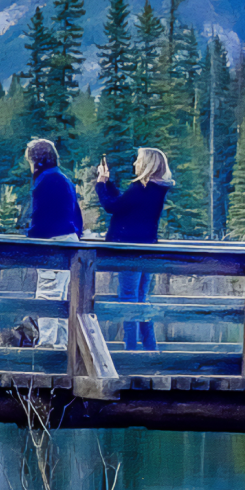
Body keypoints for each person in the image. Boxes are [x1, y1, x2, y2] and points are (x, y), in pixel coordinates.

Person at [96, 147, 173, 351]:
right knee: (142, 298)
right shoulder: (156, 189)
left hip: (129, 250)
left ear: (147, 164)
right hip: (147, 249)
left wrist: (100, 184)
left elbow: (112, 207)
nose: (134, 164)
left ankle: (131, 352)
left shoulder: (141, 187)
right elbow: (123, 204)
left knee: (128, 300)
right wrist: (109, 183)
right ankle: (150, 350)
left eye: (138, 160)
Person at [24, 138, 83, 349]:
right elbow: (76, 213)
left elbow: (41, 216)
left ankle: (48, 344)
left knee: (48, 293)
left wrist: (32, 239)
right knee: (63, 295)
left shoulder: (45, 181)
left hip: (53, 241)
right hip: (68, 238)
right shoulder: (63, 178)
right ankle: (63, 343)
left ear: (35, 159)